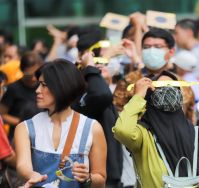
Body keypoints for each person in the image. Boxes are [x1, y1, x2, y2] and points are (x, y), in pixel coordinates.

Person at [113, 71, 199, 187]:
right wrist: (138, 97)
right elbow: (122, 130)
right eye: (161, 86)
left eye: (172, 86)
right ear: (149, 95)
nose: (168, 89)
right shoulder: (144, 135)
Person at [14, 59, 107, 187]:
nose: (37, 90)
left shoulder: (92, 128)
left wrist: (88, 177)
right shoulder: (26, 127)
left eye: (43, 85)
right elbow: (22, 166)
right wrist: (31, 175)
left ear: (61, 87)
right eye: (38, 84)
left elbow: (101, 179)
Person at [73, 34, 123, 188]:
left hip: (115, 175)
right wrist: (90, 70)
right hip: (96, 177)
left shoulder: (117, 91)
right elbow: (101, 94)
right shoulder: (86, 98)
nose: (100, 66)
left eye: (103, 63)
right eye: (95, 64)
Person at [0, 52, 43, 139]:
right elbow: (2, 115)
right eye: (29, 75)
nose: (34, 78)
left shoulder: (44, 85)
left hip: (41, 134)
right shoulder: (13, 89)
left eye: (37, 74)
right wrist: (24, 123)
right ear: (22, 70)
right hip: (19, 135)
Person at [175, 19, 199, 86]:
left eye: (177, 33)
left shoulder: (196, 53)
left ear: (189, 32)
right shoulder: (193, 50)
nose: (175, 37)